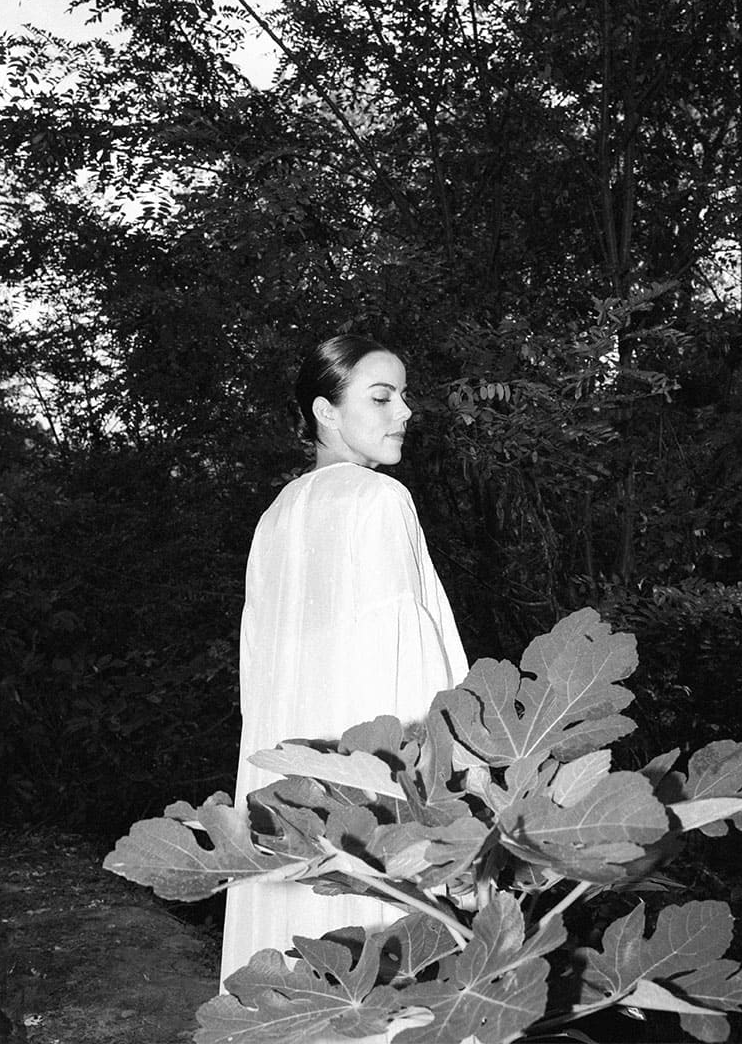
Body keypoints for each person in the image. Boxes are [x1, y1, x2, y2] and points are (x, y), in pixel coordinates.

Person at [220, 334, 468, 996]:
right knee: (387, 963)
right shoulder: (379, 499)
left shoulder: (276, 516)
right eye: (381, 397)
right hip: (367, 781)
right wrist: (452, 789)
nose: (405, 411)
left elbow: (258, 673)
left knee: (293, 962)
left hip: (287, 789)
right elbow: (418, 660)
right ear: (326, 411)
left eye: (404, 396)